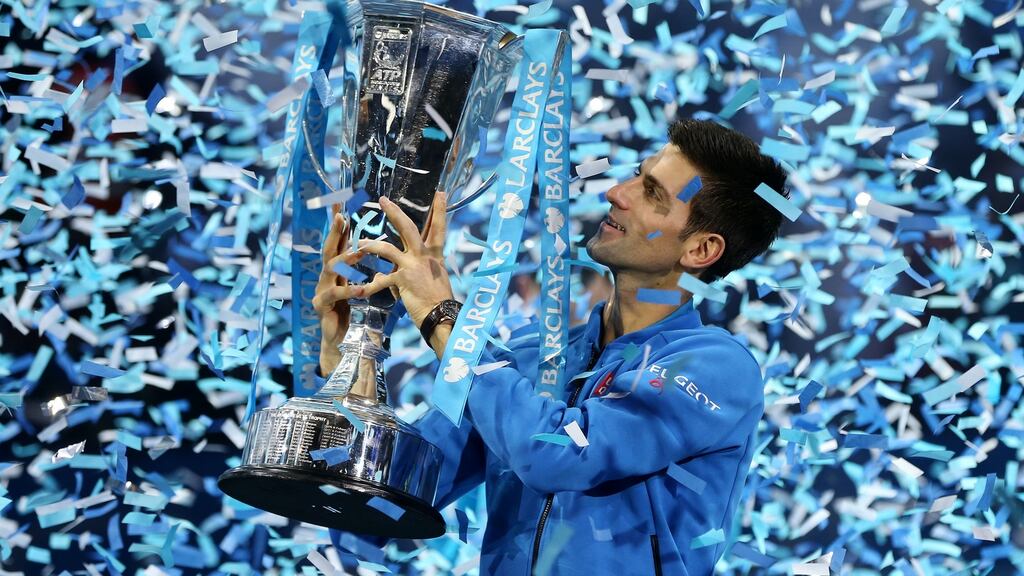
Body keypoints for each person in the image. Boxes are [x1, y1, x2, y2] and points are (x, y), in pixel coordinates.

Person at [313, 119, 789, 575]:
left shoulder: (716, 369)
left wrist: (444, 317)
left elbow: (559, 453)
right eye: (635, 175)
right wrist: (353, 358)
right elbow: (382, 496)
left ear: (701, 250)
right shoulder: (526, 357)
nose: (614, 193)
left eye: (651, 194)